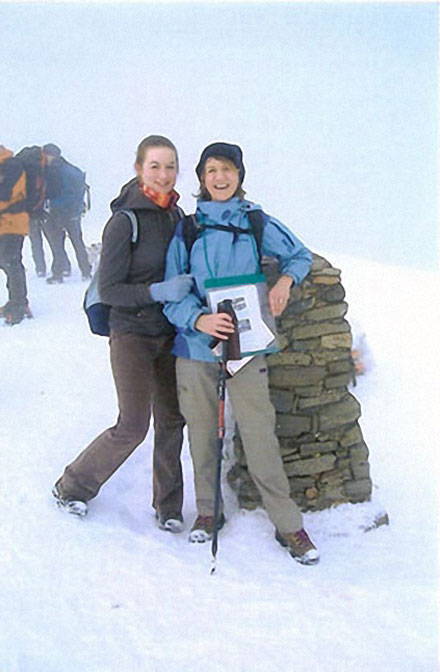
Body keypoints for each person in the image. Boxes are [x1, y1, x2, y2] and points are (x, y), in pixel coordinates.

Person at [163, 142, 319, 564]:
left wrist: (285, 281)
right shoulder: (189, 229)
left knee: (259, 432)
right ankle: (209, 512)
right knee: (200, 432)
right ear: (201, 178)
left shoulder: (255, 221)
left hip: (248, 346)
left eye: (227, 169)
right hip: (197, 345)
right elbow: (173, 290)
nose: (219, 177)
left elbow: (299, 255)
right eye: (211, 170)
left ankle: (289, 525)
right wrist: (198, 320)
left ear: (239, 175)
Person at [53, 135, 193, 532]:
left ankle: (167, 507)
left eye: (169, 166)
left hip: (168, 334)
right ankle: (72, 485)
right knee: (133, 424)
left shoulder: (177, 217)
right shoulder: (124, 220)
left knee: (172, 418)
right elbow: (111, 290)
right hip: (130, 333)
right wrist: (157, 292)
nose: (163, 174)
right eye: (155, 166)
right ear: (139, 169)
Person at [15, 144, 69, 278]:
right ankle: (57, 268)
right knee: (53, 239)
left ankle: (40, 268)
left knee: (35, 239)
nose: (53, 160)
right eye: (53, 157)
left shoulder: (32, 163)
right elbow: (35, 189)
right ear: (48, 154)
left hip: (31, 209)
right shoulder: (35, 166)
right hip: (36, 209)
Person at [42, 144, 92, 283]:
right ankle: (86, 271)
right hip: (74, 212)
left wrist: (52, 205)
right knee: (77, 241)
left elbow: (57, 192)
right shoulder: (71, 169)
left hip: (60, 212)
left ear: (50, 155)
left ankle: (59, 273)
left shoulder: (55, 170)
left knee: (57, 243)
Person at [0, 145, 31, 325]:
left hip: (13, 223)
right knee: (7, 264)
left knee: (12, 263)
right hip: (5, 223)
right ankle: (15, 301)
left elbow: (5, 194)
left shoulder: (12, 166)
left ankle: (19, 305)